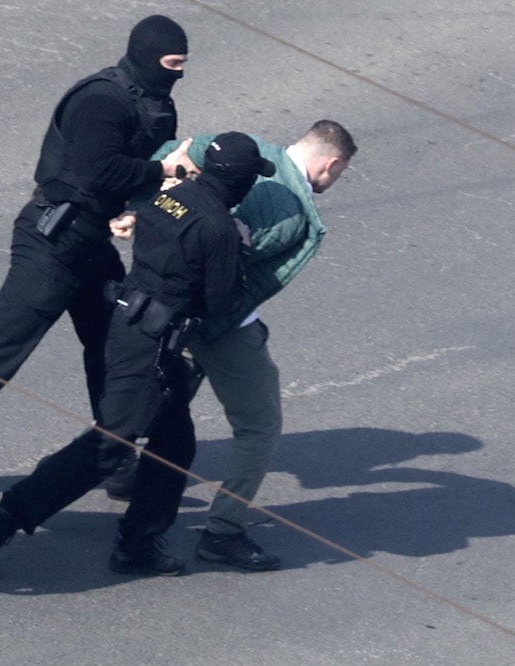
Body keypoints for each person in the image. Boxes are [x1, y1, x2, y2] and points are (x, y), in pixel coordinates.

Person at [0, 15, 198, 506]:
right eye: (171, 65)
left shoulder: (152, 104)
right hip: (52, 243)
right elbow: (98, 167)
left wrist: (127, 211)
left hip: (91, 242)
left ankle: (114, 454)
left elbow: (113, 180)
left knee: (115, 348)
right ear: (149, 57)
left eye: (182, 67)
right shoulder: (102, 101)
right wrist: (162, 170)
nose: (177, 75)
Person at [0, 132, 275, 579]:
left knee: (174, 443)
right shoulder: (220, 230)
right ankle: (0, 518)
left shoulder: (176, 196)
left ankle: (139, 542)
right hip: (152, 341)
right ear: (240, 183)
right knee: (110, 445)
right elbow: (223, 301)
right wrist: (241, 254)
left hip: (129, 322)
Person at [107, 120, 357, 570]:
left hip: (160, 306)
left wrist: (139, 209)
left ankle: (114, 468)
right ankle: (223, 531)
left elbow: (173, 154)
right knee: (258, 425)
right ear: (332, 163)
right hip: (219, 325)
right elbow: (226, 278)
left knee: (157, 408)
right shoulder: (294, 212)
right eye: (337, 175)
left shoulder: (244, 148)